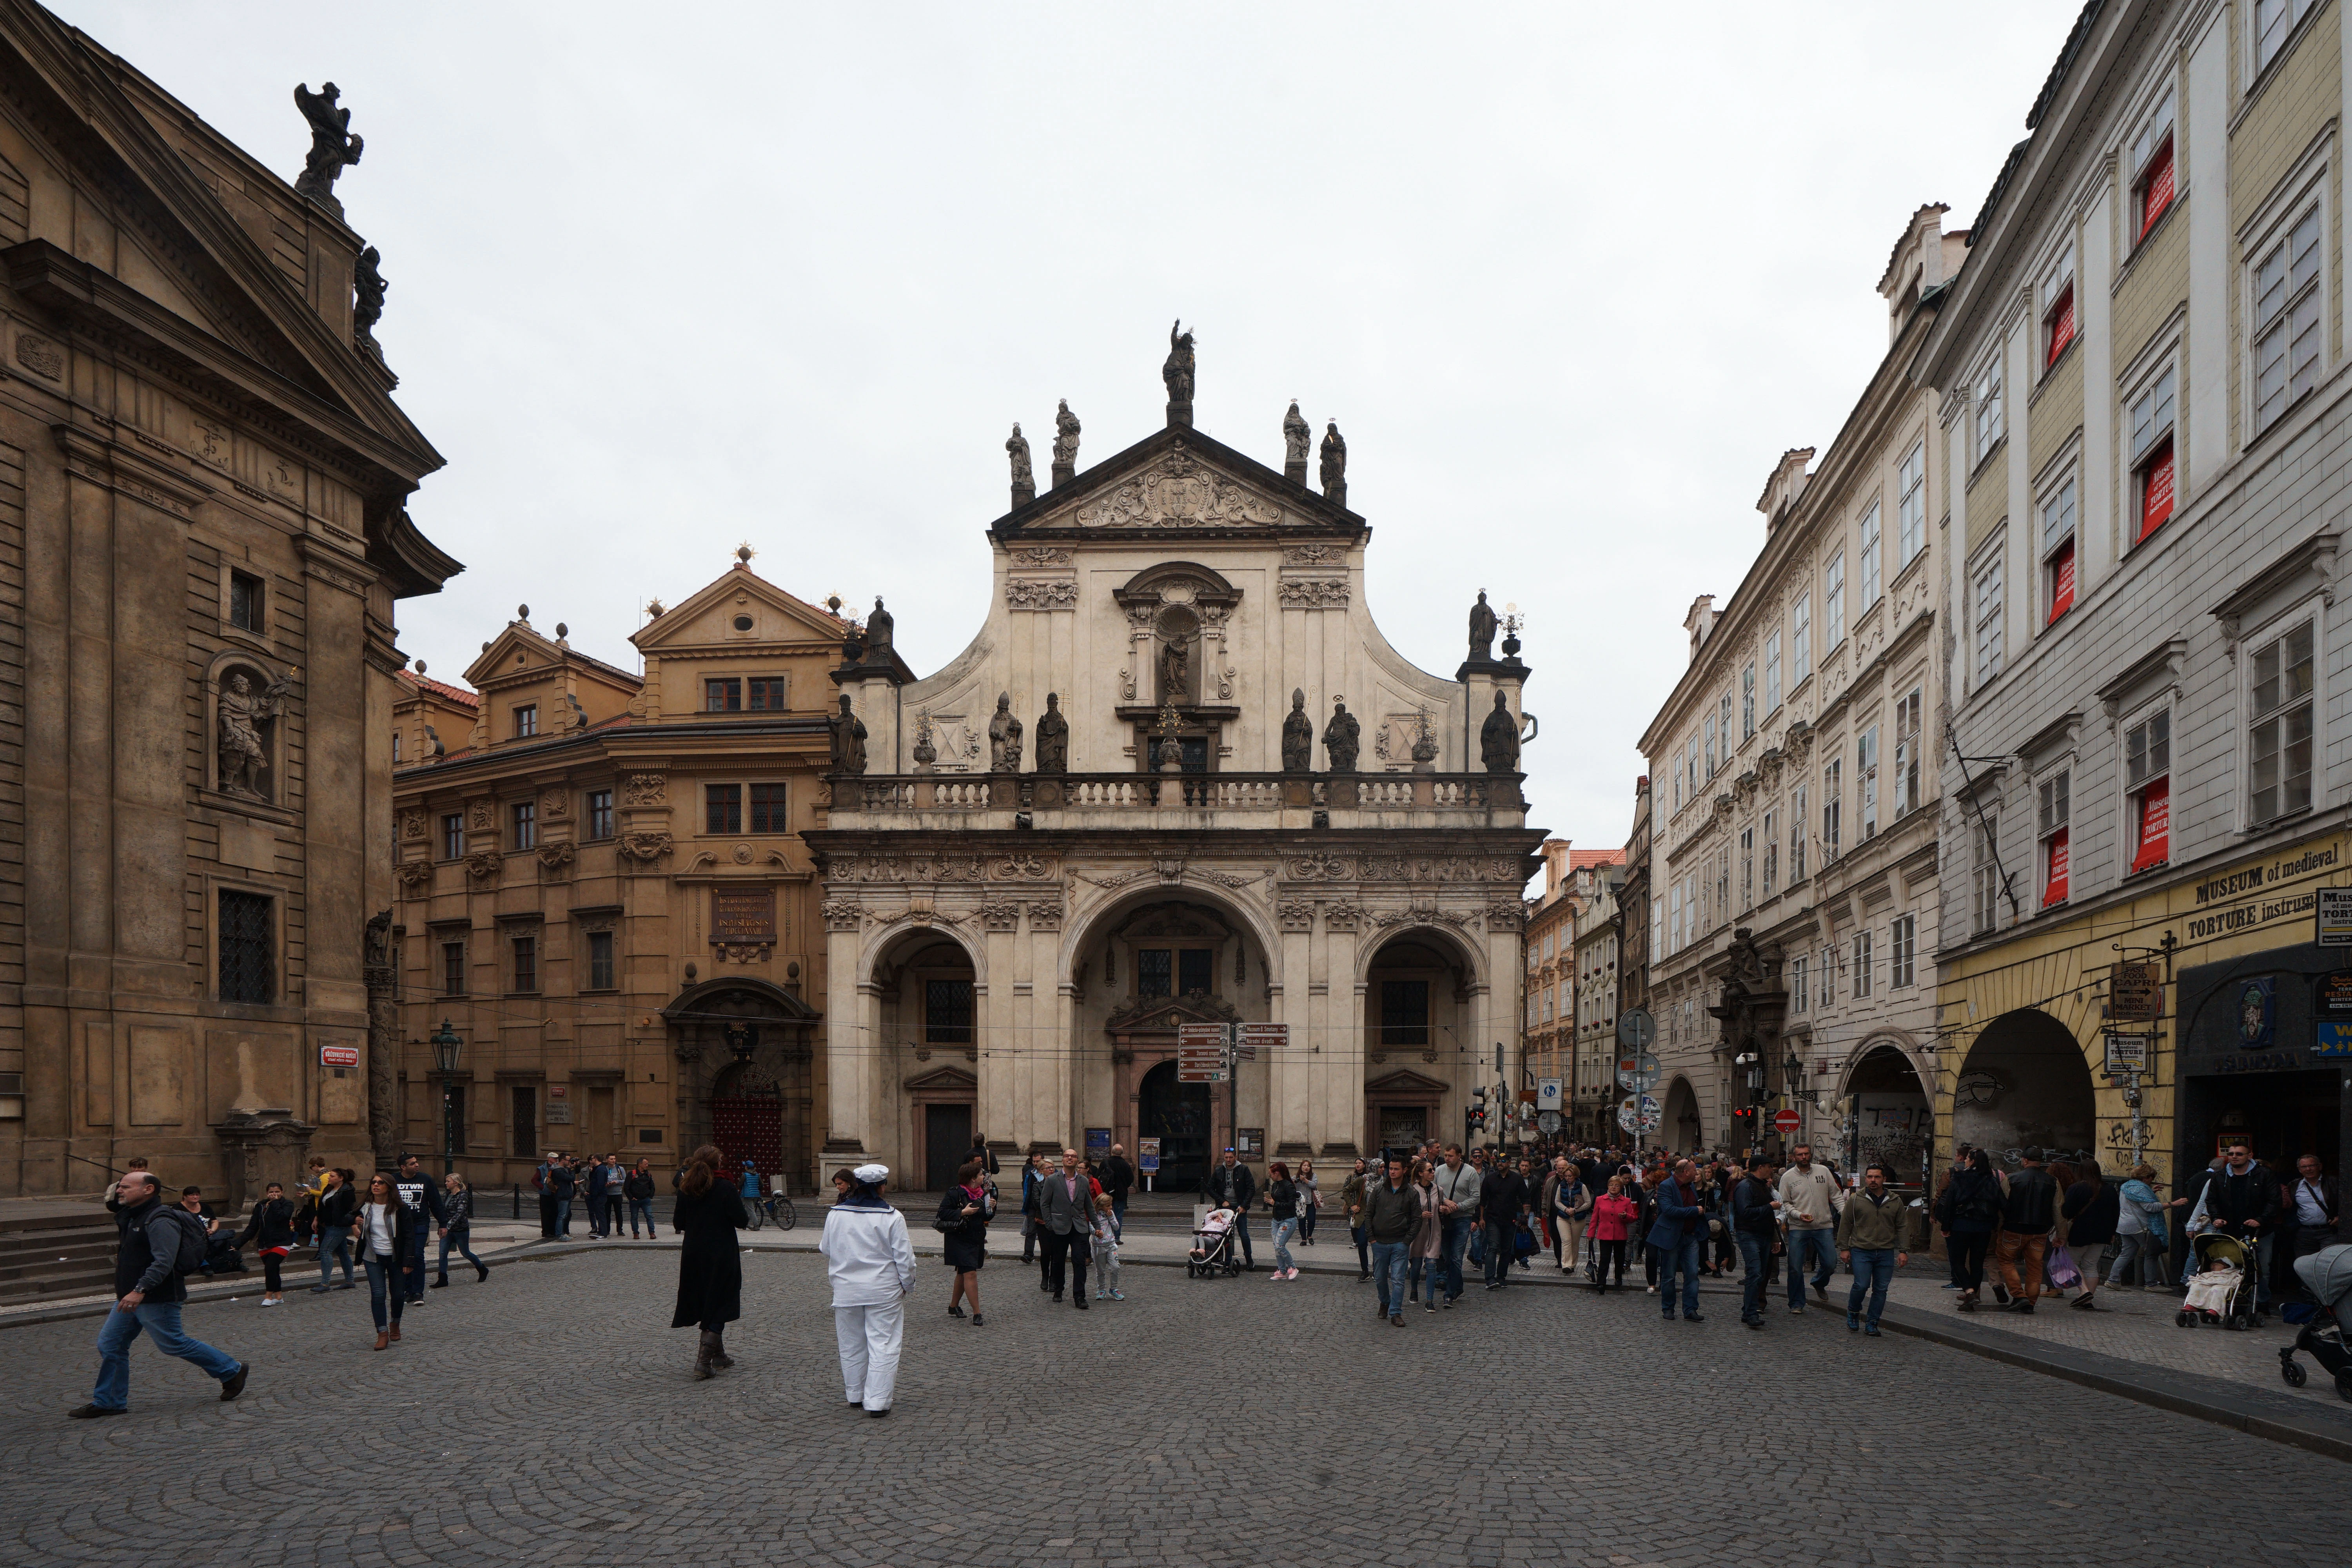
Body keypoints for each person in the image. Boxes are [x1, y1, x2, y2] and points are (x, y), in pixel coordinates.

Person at [68, 1170, 247, 1418]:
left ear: (148, 1190)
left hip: (155, 1295)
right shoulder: (133, 1216)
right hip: (130, 1296)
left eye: (126, 1187)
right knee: (111, 1344)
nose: (119, 1190)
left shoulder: (161, 1220)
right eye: (119, 1186)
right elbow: (117, 1208)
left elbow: (164, 1261)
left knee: (173, 1343)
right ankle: (109, 1401)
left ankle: (231, 1370)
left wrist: (140, 1290)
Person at [819, 1163, 916, 1416]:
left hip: (846, 1289)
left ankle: (855, 1394)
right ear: (882, 1188)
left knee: (851, 1344)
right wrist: (908, 1285)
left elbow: (826, 1248)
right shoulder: (892, 1217)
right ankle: (877, 1402)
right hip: (883, 1291)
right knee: (883, 1344)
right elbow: (905, 1259)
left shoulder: (836, 1213)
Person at [671, 1143, 749, 1379]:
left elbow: (678, 1223)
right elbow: (742, 1219)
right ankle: (704, 1361)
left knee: (707, 1297)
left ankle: (719, 1355)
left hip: (694, 1251)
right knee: (721, 1298)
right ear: (718, 1164)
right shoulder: (724, 1186)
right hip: (721, 1251)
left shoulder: (687, 1187)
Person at [2200, 1141, 2282, 1309]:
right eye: (2231, 1154)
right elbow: (2211, 1200)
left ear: (2250, 1156)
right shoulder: (2220, 1176)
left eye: (2239, 1154)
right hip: (2231, 1230)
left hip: (2260, 1231)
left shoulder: (2264, 1174)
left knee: (2261, 1268)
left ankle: (2260, 1303)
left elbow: (2274, 1201)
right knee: (2230, 1266)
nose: (2234, 1157)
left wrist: (2261, 1219)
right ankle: (2232, 1300)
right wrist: (2216, 1217)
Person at [1837, 1163, 1909, 1336]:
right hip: (1861, 1249)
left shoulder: (1895, 1200)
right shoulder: (1856, 1200)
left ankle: (1873, 1322)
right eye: (1870, 1177)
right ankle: (1853, 1313)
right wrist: (1844, 1248)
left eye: (1877, 1177)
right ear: (1866, 1179)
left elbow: (1903, 1226)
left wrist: (1904, 1250)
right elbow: (1846, 1224)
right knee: (1861, 1285)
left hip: (1885, 1251)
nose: (1873, 1180)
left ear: (1884, 1180)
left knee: (1881, 1289)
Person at [1775, 1143, 1840, 1314]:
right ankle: (1797, 1302)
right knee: (1795, 1267)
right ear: (1794, 1157)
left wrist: (1845, 1213)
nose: (1804, 1157)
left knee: (1831, 1263)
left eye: (1806, 1154)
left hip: (1824, 1225)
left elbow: (1836, 1195)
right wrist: (1797, 1215)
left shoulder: (1823, 1171)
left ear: (1811, 1155)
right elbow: (1785, 1203)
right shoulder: (1788, 1177)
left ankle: (1819, 1282)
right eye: (1800, 1155)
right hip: (1799, 1227)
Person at [1993, 1147, 2059, 1314]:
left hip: (2013, 1228)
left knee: (2007, 1261)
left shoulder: (2011, 1179)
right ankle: (2030, 1302)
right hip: (2040, 1231)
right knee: (2035, 1267)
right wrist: (2062, 1235)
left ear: (2024, 1160)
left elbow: (2002, 1206)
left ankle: (2019, 1295)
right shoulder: (2053, 1181)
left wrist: (1998, 1227)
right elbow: (2058, 1210)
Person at [1645, 1158, 1708, 1323]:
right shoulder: (1667, 1186)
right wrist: (1694, 1211)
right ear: (1686, 1172)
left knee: (1693, 1274)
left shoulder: (1692, 1186)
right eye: (1694, 1170)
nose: (1696, 1173)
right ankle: (1668, 1308)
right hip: (1671, 1237)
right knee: (1669, 1275)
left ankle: (1690, 1309)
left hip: (1690, 1237)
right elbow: (1669, 1210)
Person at [1362, 1155, 1422, 1326]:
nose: (1393, 1172)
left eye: (1397, 1169)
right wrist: (1371, 1238)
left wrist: (1407, 1240)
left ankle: (1396, 1313)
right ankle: (1385, 1301)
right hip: (1379, 1242)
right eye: (1391, 1169)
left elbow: (1417, 1219)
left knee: (1398, 1279)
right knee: (1380, 1277)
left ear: (1404, 1171)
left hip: (1400, 1243)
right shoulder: (1379, 1190)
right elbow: (1369, 1214)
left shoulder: (1411, 1193)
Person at [356, 1172, 412, 1350]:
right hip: (373, 1257)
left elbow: (410, 1236)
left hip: (395, 1257)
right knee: (378, 1295)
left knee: (397, 1295)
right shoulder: (365, 1207)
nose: (376, 1185)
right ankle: (382, 1333)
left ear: (389, 1187)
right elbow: (342, 1216)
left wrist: (409, 1261)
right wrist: (353, 1221)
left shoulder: (400, 1209)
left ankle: (395, 1323)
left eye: (381, 1183)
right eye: (374, 1182)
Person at [2060, 1157, 2118, 1311]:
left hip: (2080, 1232)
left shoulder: (2076, 1188)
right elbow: (2116, 1213)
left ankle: (2084, 1292)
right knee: (2091, 1265)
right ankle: (2087, 1300)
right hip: (2102, 1233)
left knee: (2071, 1262)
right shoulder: (2110, 1189)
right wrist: (2112, 1233)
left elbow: (2066, 1211)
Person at [938, 1159, 992, 1324]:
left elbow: (987, 1217)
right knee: (970, 1273)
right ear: (973, 1178)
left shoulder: (983, 1194)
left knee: (962, 1273)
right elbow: (943, 1214)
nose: (984, 1177)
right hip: (959, 1238)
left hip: (975, 1238)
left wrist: (992, 1208)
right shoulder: (954, 1193)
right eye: (981, 1175)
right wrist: (963, 1212)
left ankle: (953, 1306)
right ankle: (977, 1313)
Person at [1731, 1155, 1779, 1328]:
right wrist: (1770, 1207)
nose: (1771, 1170)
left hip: (1765, 1235)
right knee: (1755, 1272)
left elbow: (1769, 1218)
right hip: (1749, 1234)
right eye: (1769, 1167)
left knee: (1761, 1273)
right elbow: (1745, 1212)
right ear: (1761, 1168)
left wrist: (1774, 1238)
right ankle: (1751, 1313)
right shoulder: (1745, 1187)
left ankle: (1749, 1309)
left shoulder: (1762, 1186)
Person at [393, 1154, 446, 1306]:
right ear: (403, 1167)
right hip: (399, 1225)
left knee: (417, 1255)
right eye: (412, 1164)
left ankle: (418, 1292)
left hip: (420, 1223)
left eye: (417, 1163)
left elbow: (435, 1202)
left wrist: (443, 1223)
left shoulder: (425, 1179)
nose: (417, 1165)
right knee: (404, 1257)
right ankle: (407, 1291)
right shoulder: (394, 1180)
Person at [1429, 1144, 1480, 1305]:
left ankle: (1449, 1294)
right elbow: (1433, 1192)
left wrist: (1458, 1207)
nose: (1447, 1158)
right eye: (1446, 1155)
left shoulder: (1470, 1172)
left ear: (1459, 1156)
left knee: (1457, 1257)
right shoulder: (1439, 1170)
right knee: (1447, 1257)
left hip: (1462, 1219)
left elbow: (1476, 1197)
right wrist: (1444, 1203)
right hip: (1444, 1219)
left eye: (1451, 1156)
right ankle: (1458, 1287)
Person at [234, 1181, 296, 1306]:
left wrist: (275, 1203)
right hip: (265, 1243)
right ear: (267, 1193)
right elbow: (253, 1227)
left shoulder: (287, 1204)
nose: (274, 1194)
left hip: (282, 1241)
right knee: (274, 1270)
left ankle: (268, 1296)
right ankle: (278, 1296)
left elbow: (281, 1218)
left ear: (282, 1193)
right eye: (272, 1192)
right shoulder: (261, 1206)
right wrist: (238, 1243)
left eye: (277, 1192)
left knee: (270, 1268)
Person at [1477, 1151, 1528, 1290]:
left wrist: (1525, 1217)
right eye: (1498, 1161)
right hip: (1492, 1218)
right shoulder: (1490, 1179)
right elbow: (1483, 1201)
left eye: (1503, 1161)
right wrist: (1481, 1218)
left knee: (1506, 1249)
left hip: (1510, 1219)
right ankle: (1490, 1278)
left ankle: (1501, 1277)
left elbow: (1525, 1199)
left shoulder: (1517, 1179)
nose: (1500, 1163)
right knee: (1493, 1246)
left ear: (1510, 1163)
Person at [432, 1174, 490, 1287]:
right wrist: (442, 1226)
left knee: (466, 1253)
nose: (446, 1184)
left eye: (448, 1181)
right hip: (447, 1230)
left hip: (460, 1230)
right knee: (443, 1253)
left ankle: (482, 1269)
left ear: (456, 1183)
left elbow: (460, 1213)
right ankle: (443, 1279)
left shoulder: (463, 1195)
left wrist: (448, 1226)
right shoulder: (448, 1195)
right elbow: (443, 1211)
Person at [1204, 1148, 1258, 1269]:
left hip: (1239, 1207)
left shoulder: (1243, 1170)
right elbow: (1210, 1188)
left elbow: (1251, 1189)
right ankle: (1226, 1260)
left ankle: (1249, 1258)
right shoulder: (1219, 1171)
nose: (1228, 1160)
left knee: (1244, 1234)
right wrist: (1222, 1201)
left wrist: (1244, 1206)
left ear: (1235, 1157)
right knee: (1224, 1234)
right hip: (1225, 1208)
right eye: (1226, 1157)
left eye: (1231, 1157)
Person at [308, 1165, 357, 1293]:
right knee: (342, 1253)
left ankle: (325, 1284)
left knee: (325, 1251)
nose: (329, 1178)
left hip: (339, 1226)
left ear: (341, 1179)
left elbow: (352, 1211)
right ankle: (350, 1281)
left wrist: (353, 1225)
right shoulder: (329, 1189)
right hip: (329, 1225)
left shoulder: (347, 1191)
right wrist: (317, 1219)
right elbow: (322, 1206)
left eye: (332, 1176)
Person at [1405, 1158, 1443, 1310]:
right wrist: (1420, 1215)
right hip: (1418, 1233)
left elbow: (1439, 1206)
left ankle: (1430, 1300)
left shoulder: (1439, 1190)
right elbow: (1406, 1213)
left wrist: (1442, 1210)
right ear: (1421, 1174)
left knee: (1432, 1265)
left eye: (1433, 1170)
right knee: (1415, 1266)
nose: (1433, 1172)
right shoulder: (1412, 1191)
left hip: (1434, 1231)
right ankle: (1414, 1290)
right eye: (1430, 1170)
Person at [1588, 1174, 1637, 1293]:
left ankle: (1618, 1278)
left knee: (1619, 1258)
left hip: (1620, 1234)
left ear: (1621, 1188)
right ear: (1608, 1186)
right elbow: (1594, 1218)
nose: (1613, 1187)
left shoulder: (1626, 1201)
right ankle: (1601, 1283)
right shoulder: (1600, 1199)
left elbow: (1634, 1217)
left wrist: (1626, 1216)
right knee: (1604, 1259)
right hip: (1605, 1234)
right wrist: (1591, 1234)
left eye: (1617, 1186)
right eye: (1611, 1185)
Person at [1545, 1156, 1592, 1274]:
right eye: (1566, 1176)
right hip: (1563, 1217)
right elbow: (1557, 1201)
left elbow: (1588, 1203)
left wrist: (1575, 1211)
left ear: (1575, 1176)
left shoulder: (1582, 1187)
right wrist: (1566, 1209)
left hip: (1577, 1218)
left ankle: (1572, 1264)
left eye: (1570, 1176)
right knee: (1566, 1240)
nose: (1567, 1178)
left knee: (1574, 1242)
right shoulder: (1562, 1185)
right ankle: (1565, 1265)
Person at [1266, 1160, 1301, 1281]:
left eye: (1271, 1174)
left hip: (1288, 1220)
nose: (1270, 1177)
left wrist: (1276, 1203)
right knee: (1276, 1246)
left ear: (1277, 1173)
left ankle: (1293, 1267)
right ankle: (1281, 1271)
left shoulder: (1288, 1186)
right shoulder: (1275, 1185)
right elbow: (1276, 1202)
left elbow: (1291, 1204)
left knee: (1280, 1245)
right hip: (1276, 1220)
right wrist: (1271, 1203)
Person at [1340, 1158, 1371, 1281]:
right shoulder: (1357, 1178)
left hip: (1376, 1217)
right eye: (1356, 1163)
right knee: (1362, 1242)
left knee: (1378, 1247)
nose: (1358, 1165)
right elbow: (1346, 1190)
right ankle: (1365, 1271)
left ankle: (1378, 1271)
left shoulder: (1382, 1182)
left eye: (1360, 1163)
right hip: (1359, 1212)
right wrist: (1350, 1205)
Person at [1090, 1192, 1124, 1302]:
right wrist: (1096, 1233)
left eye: (1111, 1205)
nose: (1110, 1208)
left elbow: (1116, 1226)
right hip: (1098, 1246)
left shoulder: (1111, 1214)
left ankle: (1114, 1288)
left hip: (1111, 1245)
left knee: (1115, 1267)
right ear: (1101, 1206)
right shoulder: (1094, 1215)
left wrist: (1111, 1217)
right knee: (1100, 1270)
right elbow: (1091, 1227)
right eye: (1108, 1206)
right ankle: (1101, 1289)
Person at [543, 1151, 578, 1239]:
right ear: (563, 1160)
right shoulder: (558, 1170)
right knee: (562, 1216)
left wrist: (576, 1166)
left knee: (566, 1215)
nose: (569, 1162)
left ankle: (564, 1232)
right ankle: (560, 1235)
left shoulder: (565, 1169)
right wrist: (573, 1170)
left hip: (568, 1195)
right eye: (568, 1160)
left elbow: (577, 1172)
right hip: (563, 1195)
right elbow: (571, 1178)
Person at [1102, 1143, 1135, 1230]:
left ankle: (1107, 1234)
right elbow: (1131, 1178)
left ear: (1112, 1151)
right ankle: (1117, 1237)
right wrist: (1124, 1186)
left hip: (1106, 1193)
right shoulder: (1125, 1164)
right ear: (1122, 1153)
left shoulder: (1106, 1162)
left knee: (1105, 1214)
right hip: (1121, 1193)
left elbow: (1098, 1176)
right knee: (1118, 1215)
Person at [624, 1159, 658, 1239]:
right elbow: (626, 1187)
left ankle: (652, 1233)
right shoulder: (632, 1174)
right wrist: (631, 1197)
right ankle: (636, 1233)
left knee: (649, 1216)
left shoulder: (648, 1175)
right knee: (634, 1217)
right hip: (635, 1200)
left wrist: (650, 1196)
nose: (647, 1166)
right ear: (640, 1164)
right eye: (646, 1164)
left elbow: (652, 1186)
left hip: (645, 1199)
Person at [535, 1150, 561, 1239]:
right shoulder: (542, 1169)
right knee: (546, 1213)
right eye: (554, 1158)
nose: (556, 1160)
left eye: (557, 1158)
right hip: (545, 1194)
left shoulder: (557, 1167)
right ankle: (546, 1232)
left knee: (555, 1212)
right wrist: (543, 1187)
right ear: (549, 1159)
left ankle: (553, 1230)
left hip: (555, 1193)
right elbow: (534, 1180)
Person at [1295, 1157, 1320, 1245]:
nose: (1306, 1168)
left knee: (1312, 1220)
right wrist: (1296, 1180)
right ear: (1301, 1167)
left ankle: (1310, 1236)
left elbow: (1314, 1185)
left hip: (1310, 1202)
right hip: (1300, 1203)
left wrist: (1305, 1180)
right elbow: (1291, 1185)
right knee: (1302, 1221)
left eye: (1308, 1166)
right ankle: (1303, 1239)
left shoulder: (1314, 1176)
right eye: (1304, 1166)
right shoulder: (1296, 1176)